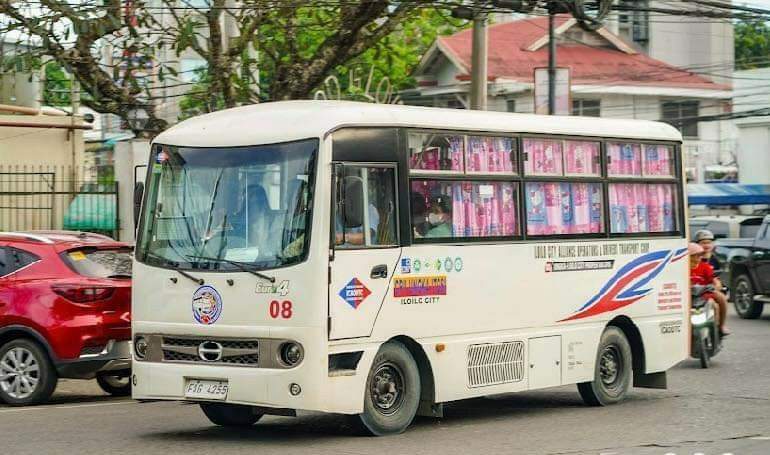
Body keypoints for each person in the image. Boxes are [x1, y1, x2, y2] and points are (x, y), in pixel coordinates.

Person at [689, 241, 729, 337]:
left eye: (699, 255)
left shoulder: (705, 267)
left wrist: (716, 286)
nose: (697, 258)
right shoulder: (681, 268)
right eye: (693, 256)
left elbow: (714, 280)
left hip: (704, 293)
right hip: (689, 295)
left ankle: (721, 326)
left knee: (720, 300)